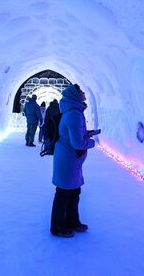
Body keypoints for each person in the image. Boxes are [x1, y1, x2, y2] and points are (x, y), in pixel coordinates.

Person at [50, 84, 95, 238]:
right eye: (81, 91)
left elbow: (73, 135)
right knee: (64, 192)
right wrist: (92, 142)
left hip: (70, 158)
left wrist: (86, 133)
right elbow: (77, 143)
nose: (83, 93)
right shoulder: (75, 114)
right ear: (75, 95)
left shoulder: (73, 112)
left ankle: (72, 221)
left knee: (74, 191)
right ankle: (57, 227)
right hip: (68, 159)